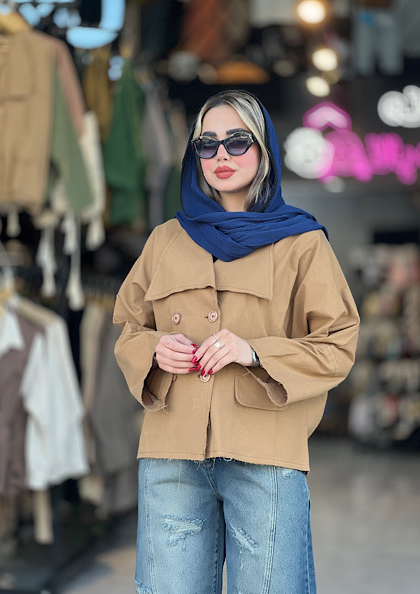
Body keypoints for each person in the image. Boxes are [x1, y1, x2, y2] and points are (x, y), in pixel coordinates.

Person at [113, 89, 360, 594]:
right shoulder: (165, 240)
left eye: (237, 141)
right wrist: (154, 350)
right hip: (171, 453)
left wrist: (255, 352)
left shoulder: (301, 242)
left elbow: (338, 343)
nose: (220, 155)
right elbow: (128, 329)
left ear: (263, 148)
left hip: (265, 452)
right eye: (207, 144)